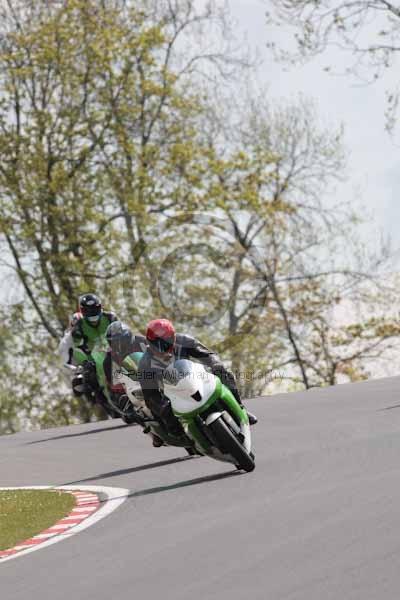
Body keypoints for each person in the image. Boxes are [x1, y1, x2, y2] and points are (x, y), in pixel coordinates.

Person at [137, 318, 258, 441]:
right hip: (172, 393)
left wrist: (215, 364)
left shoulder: (185, 340)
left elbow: (208, 355)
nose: (160, 348)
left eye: (165, 343)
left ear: (173, 338)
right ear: (149, 342)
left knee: (223, 372)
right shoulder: (145, 364)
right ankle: (177, 435)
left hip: (194, 378)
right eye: (156, 344)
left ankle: (240, 408)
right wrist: (162, 408)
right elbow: (150, 396)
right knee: (167, 419)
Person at [71, 293, 118, 365]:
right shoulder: (79, 326)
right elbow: (76, 349)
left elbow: (122, 335)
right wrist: (85, 363)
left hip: (116, 353)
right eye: (88, 311)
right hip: (94, 361)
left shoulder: (110, 318)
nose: (94, 321)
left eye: (95, 309)